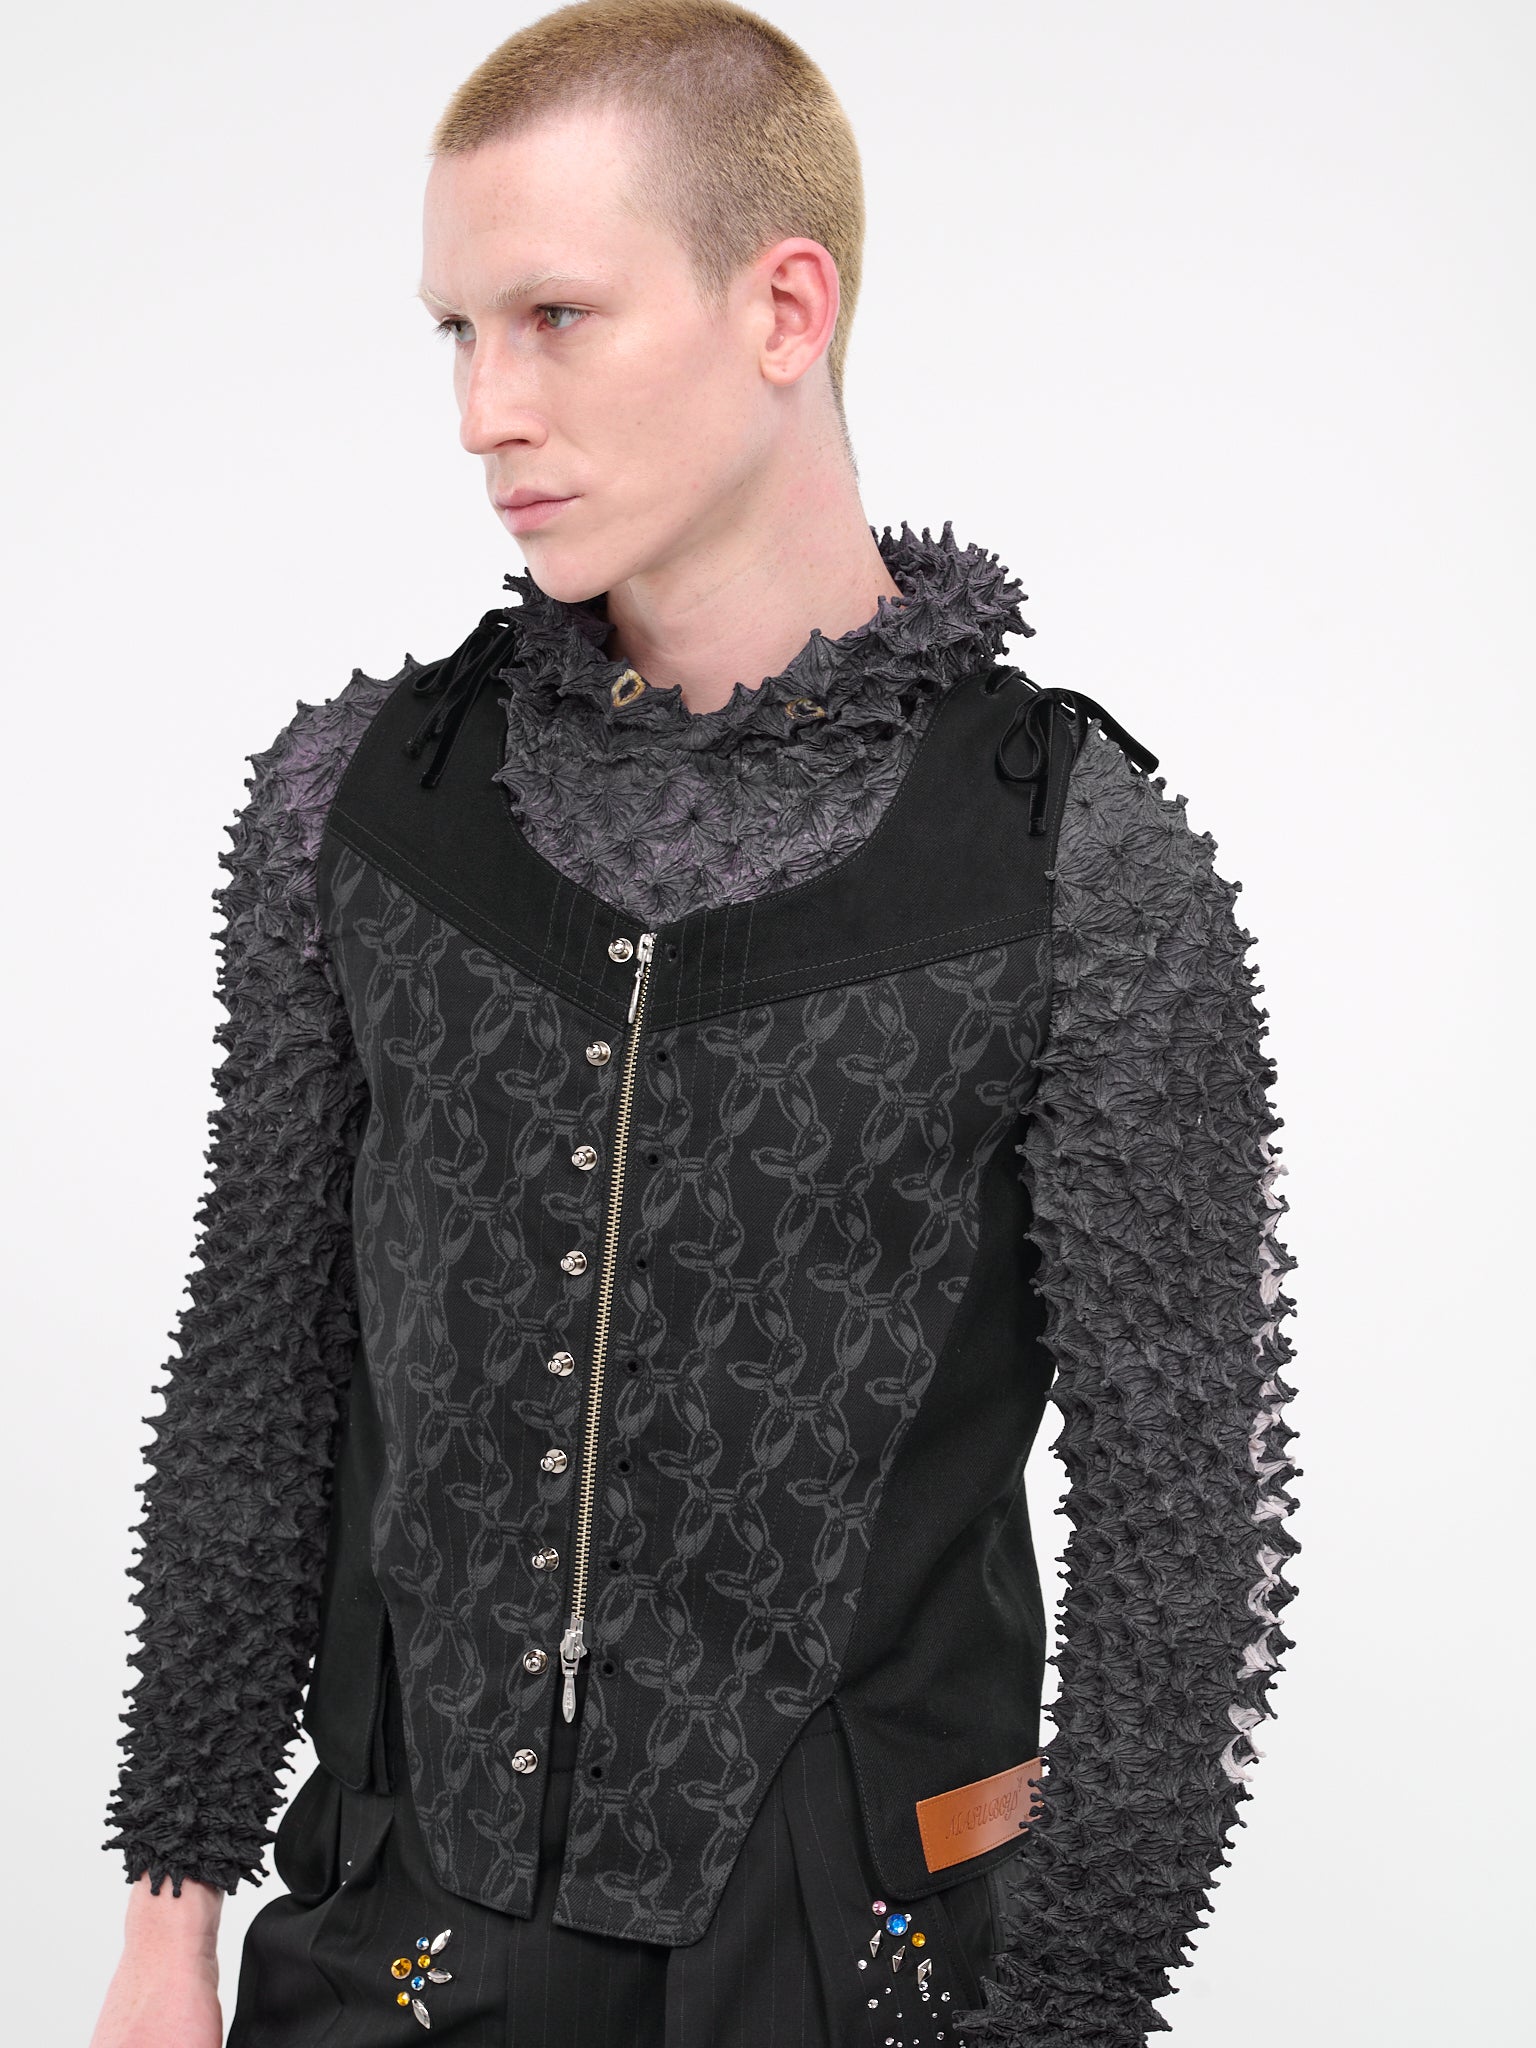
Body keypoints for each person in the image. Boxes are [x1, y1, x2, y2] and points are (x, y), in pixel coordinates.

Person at [91, 3, 1301, 2045]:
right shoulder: (362, 805)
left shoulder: (1068, 856)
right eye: (457, 331)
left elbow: (1181, 1548)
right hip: (397, 1941)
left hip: (859, 1960)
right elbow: (257, 1376)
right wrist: (166, 1930)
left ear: (783, 309)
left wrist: (1074, 2006)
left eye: (556, 316)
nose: (485, 409)